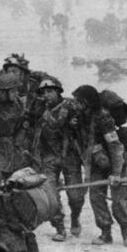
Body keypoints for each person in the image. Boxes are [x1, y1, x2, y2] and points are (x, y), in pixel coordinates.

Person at [71, 84, 127, 246]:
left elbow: (115, 146)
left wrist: (117, 173)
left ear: (87, 102)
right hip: (97, 164)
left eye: (78, 101)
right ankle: (106, 233)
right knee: (96, 198)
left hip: (116, 163)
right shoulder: (80, 118)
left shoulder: (104, 118)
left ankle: (125, 229)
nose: (75, 104)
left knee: (119, 202)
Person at [32, 77, 84, 241]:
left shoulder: (71, 106)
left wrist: (77, 123)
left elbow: (83, 123)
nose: (46, 95)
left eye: (50, 91)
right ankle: (60, 227)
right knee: (51, 195)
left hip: (70, 156)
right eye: (44, 93)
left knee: (76, 196)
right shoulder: (40, 110)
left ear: (58, 91)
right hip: (49, 157)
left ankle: (75, 217)